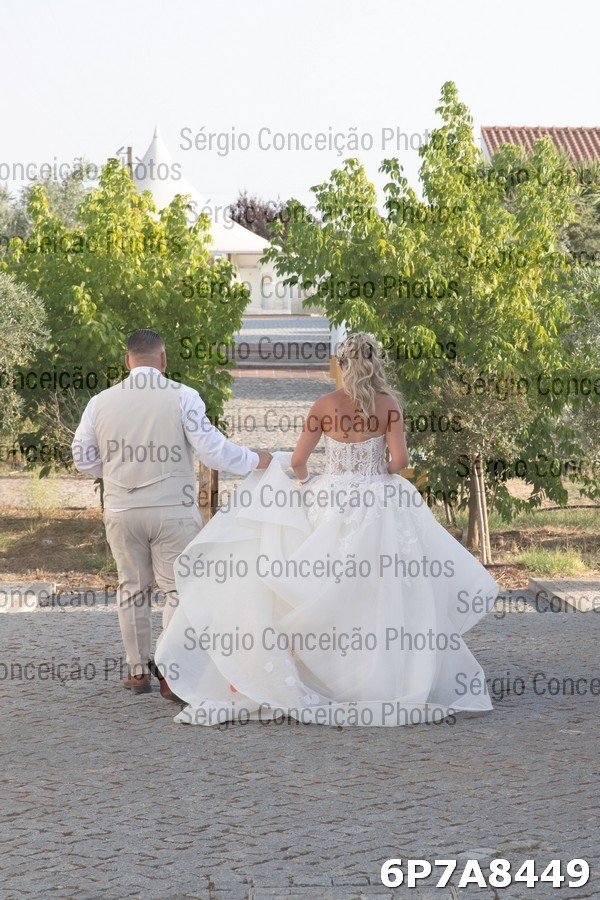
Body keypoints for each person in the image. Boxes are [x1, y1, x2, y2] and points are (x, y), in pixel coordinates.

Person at [156, 332, 498, 726]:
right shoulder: (387, 405)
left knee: (321, 583)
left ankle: (320, 674)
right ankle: (381, 676)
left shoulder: (323, 405)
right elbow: (401, 460)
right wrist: (378, 474)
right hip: (379, 503)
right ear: (375, 361)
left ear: (343, 363)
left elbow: (298, 462)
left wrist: (307, 482)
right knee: (382, 590)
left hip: (329, 501)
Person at [72, 328, 271, 696]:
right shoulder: (183, 396)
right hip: (172, 510)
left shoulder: (99, 402)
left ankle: (137, 671)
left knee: (132, 588)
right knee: (178, 590)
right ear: (163, 360)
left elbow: (83, 458)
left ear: (127, 361)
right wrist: (256, 460)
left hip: (121, 509)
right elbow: (212, 452)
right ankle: (170, 673)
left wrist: (117, 471)